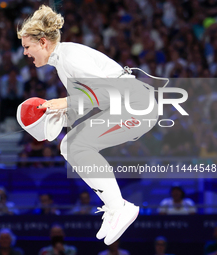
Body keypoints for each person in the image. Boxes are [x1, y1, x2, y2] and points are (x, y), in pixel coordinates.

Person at [17, 5, 159, 245]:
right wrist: (61, 118)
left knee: (77, 145)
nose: (24, 53)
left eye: (27, 47)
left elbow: (108, 94)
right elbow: (87, 102)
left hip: (136, 104)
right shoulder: (63, 62)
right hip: (128, 104)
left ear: (42, 42)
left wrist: (63, 103)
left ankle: (119, 207)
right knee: (70, 145)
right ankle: (115, 206)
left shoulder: (71, 58)